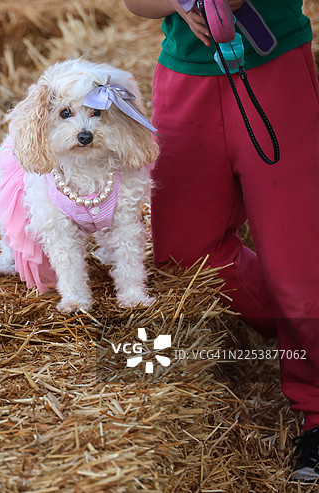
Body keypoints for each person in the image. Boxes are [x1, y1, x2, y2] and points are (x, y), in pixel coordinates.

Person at [122, 0, 319, 481]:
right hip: (185, 82)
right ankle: (292, 324)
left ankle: (316, 411)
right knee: (182, 258)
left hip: (273, 69)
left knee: (299, 264)